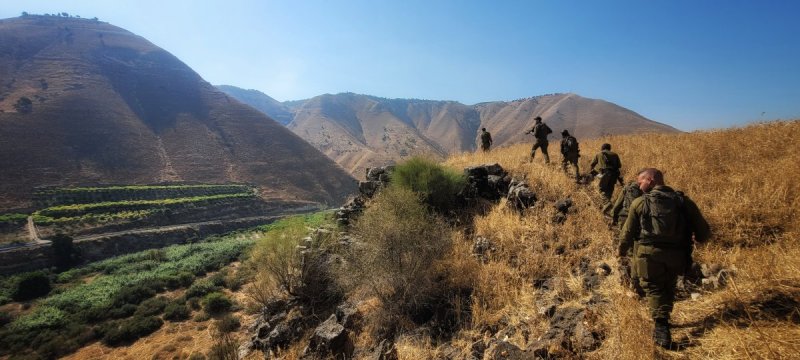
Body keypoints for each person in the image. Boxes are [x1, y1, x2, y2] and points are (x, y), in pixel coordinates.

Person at [617, 168, 711, 349]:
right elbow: (704, 232)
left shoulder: (639, 203)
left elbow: (627, 233)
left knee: (654, 288)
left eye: (640, 181)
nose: (638, 185)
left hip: (648, 256)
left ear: (651, 180)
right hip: (678, 256)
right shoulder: (683, 202)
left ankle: (661, 326)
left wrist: (621, 250)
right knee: (669, 285)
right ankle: (665, 317)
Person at [610, 178, 645, 295]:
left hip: (624, 218)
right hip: (639, 221)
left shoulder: (628, 188)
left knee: (628, 248)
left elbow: (618, 203)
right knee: (635, 248)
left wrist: (613, 216)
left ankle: (631, 279)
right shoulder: (648, 191)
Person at [590, 143, 622, 213]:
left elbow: (592, 164)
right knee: (610, 189)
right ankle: (607, 207)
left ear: (602, 148)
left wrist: (592, 172)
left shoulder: (599, 154)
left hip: (605, 174)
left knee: (602, 190)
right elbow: (619, 166)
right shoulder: (615, 154)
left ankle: (607, 203)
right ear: (609, 148)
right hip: (614, 174)